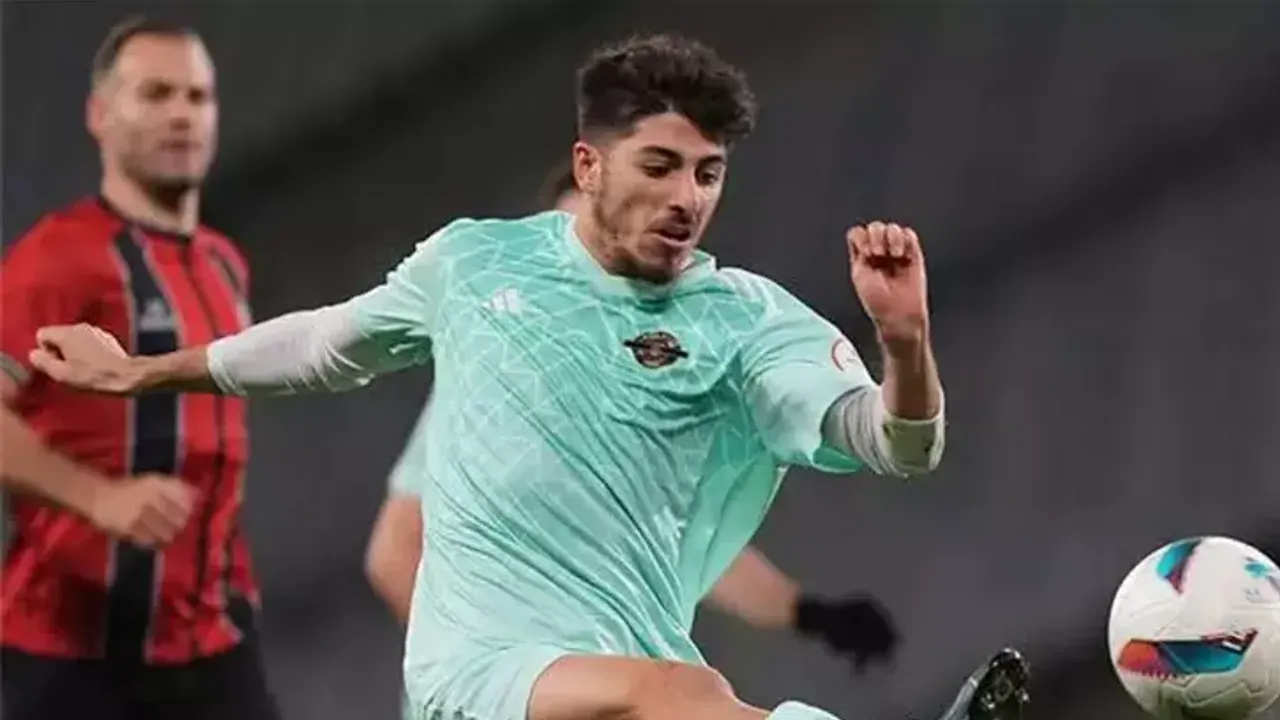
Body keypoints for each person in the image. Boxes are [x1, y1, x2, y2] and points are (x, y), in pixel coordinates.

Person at [29, 32, 1030, 720]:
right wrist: (145, 372)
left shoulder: (745, 322)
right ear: (588, 167)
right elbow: (328, 344)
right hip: (482, 678)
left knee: (691, 695)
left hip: (632, 682)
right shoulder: (476, 264)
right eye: (659, 166)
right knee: (689, 698)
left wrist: (904, 344)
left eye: (707, 173)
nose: (686, 198)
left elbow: (897, 445)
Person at [366, 161, 903, 671]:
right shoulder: (493, 383)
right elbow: (395, 553)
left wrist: (806, 613)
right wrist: (494, 681)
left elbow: (670, 539)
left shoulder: (649, 385)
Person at [0, 17, 279, 720]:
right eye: (156, 94)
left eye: (197, 96)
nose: (182, 114)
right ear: (99, 115)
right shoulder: (59, 257)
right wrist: (99, 497)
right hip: (73, 656)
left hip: (214, 643)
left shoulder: (224, 262)